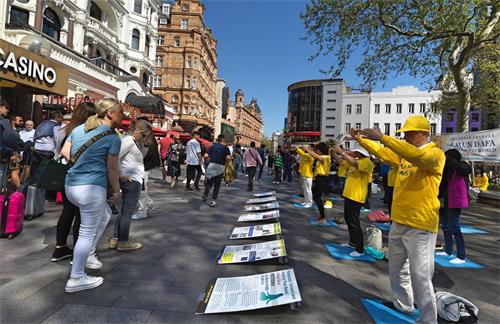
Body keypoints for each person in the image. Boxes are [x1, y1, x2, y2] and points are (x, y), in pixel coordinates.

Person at [352, 115, 445, 323]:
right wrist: (361, 139)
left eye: (410, 133)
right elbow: (383, 154)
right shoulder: (405, 155)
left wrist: (383, 137)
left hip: (421, 224)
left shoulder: (436, 154)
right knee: (397, 268)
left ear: (423, 133)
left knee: (421, 277)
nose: (406, 136)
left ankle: (429, 320)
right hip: (399, 220)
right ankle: (403, 304)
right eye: (405, 133)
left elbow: (416, 157)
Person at [60, 98, 122, 293]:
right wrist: (117, 190)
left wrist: (81, 166)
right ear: (110, 113)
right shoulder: (113, 138)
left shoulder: (79, 129)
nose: (123, 115)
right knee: (86, 233)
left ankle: (88, 253)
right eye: (120, 111)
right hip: (91, 188)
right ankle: (76, 277)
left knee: (104, 214)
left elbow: (65, 151)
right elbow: (112, 169)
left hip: (71, 186)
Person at [51, 103, 96, 262]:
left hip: (63, 174)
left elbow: (58, 151)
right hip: (78, 176)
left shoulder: (63, 130)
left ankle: (60, 248)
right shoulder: (84, 131)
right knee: (80, 214)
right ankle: (78, 251)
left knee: (67, 211)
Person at [110, 119, 153, 251]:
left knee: (125, 210)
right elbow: (115, 157)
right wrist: (122, 174)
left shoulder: (131, 141)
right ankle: (123, 240)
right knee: (128, 211)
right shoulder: (128, 141)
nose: (144, 138)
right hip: (131, 180)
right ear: (139, 131)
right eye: (145, 135)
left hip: (132, 179)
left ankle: (116, 238)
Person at [333, 145, 374, 256]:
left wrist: (342, 153)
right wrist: (334, 153)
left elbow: (355, 164)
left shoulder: (366, 161)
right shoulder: (356, 161)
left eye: (357, 152)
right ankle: (352, 242)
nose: (354, 153)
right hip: (349, 195)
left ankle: (359, 249)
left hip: (356, 196)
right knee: (348, 219)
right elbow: (342, 162)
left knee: (354, 222)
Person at [437, 149, 471, 264]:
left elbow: (466, 170)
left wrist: (451, 161)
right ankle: (448, 250)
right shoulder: (446, 169)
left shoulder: (461, 166)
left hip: (455, 201)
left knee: (455, 227)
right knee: (445, 226)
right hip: (444, 200)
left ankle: (461, 256)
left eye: (446, 157)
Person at [303, 142, 331, 224]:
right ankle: (321, 215)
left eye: (318, 150)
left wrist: (307, 149)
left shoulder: (326, 157)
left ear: (321, 151)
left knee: (317, 198)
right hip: (318, 178)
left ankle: (323, 217)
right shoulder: (324, 156)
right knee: (317, 197)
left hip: (322, 179)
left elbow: (317, 157)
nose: (316, 151)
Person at [0, 100, 25, 190]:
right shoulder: (4, 122)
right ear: (1, 107)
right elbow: (9, 138)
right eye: (7, 108)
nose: (8, 111)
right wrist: (20, 147)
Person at [203, 134, 232, 207]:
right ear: (223, 140)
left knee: (209, 183)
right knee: (217, 185)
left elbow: (206, 155)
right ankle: (213, 201)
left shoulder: (212, 147)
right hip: (220, 167)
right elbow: (228, 158)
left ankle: (205, 194)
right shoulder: (226, 148)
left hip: (211, 165)